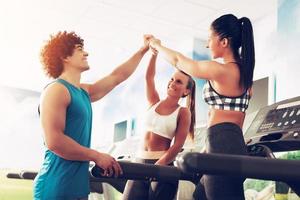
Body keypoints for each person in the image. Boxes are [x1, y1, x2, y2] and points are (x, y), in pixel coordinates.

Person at [33, 31, 151, 200]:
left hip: (78, 189)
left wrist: (142, 50)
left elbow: (117, 77)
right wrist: (96, 156)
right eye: (80, 49)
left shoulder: (83, 92)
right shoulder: (56, 90)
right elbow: (54, 141)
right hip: (56, 187)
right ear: (65, 56)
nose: (86, 53)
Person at [149, 13, 255, 200]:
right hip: (227, 143)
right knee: (199, 196)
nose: (207, 44)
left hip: (223, 146)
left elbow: (178, 61)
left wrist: (156, 45)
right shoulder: (244, 73)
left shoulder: (221, 70)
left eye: (210, 39)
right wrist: (207, 149)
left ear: (223, 42)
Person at [122, 48, 196, 200]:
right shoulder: (153, 101)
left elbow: (177, 145)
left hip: (162, 164)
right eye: (172, 79)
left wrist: (159, 165)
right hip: (139, 162)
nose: (173, 83)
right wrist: (154, 54)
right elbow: (149, 77)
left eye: (179, 82)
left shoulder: (183, 112)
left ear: (186, 91)